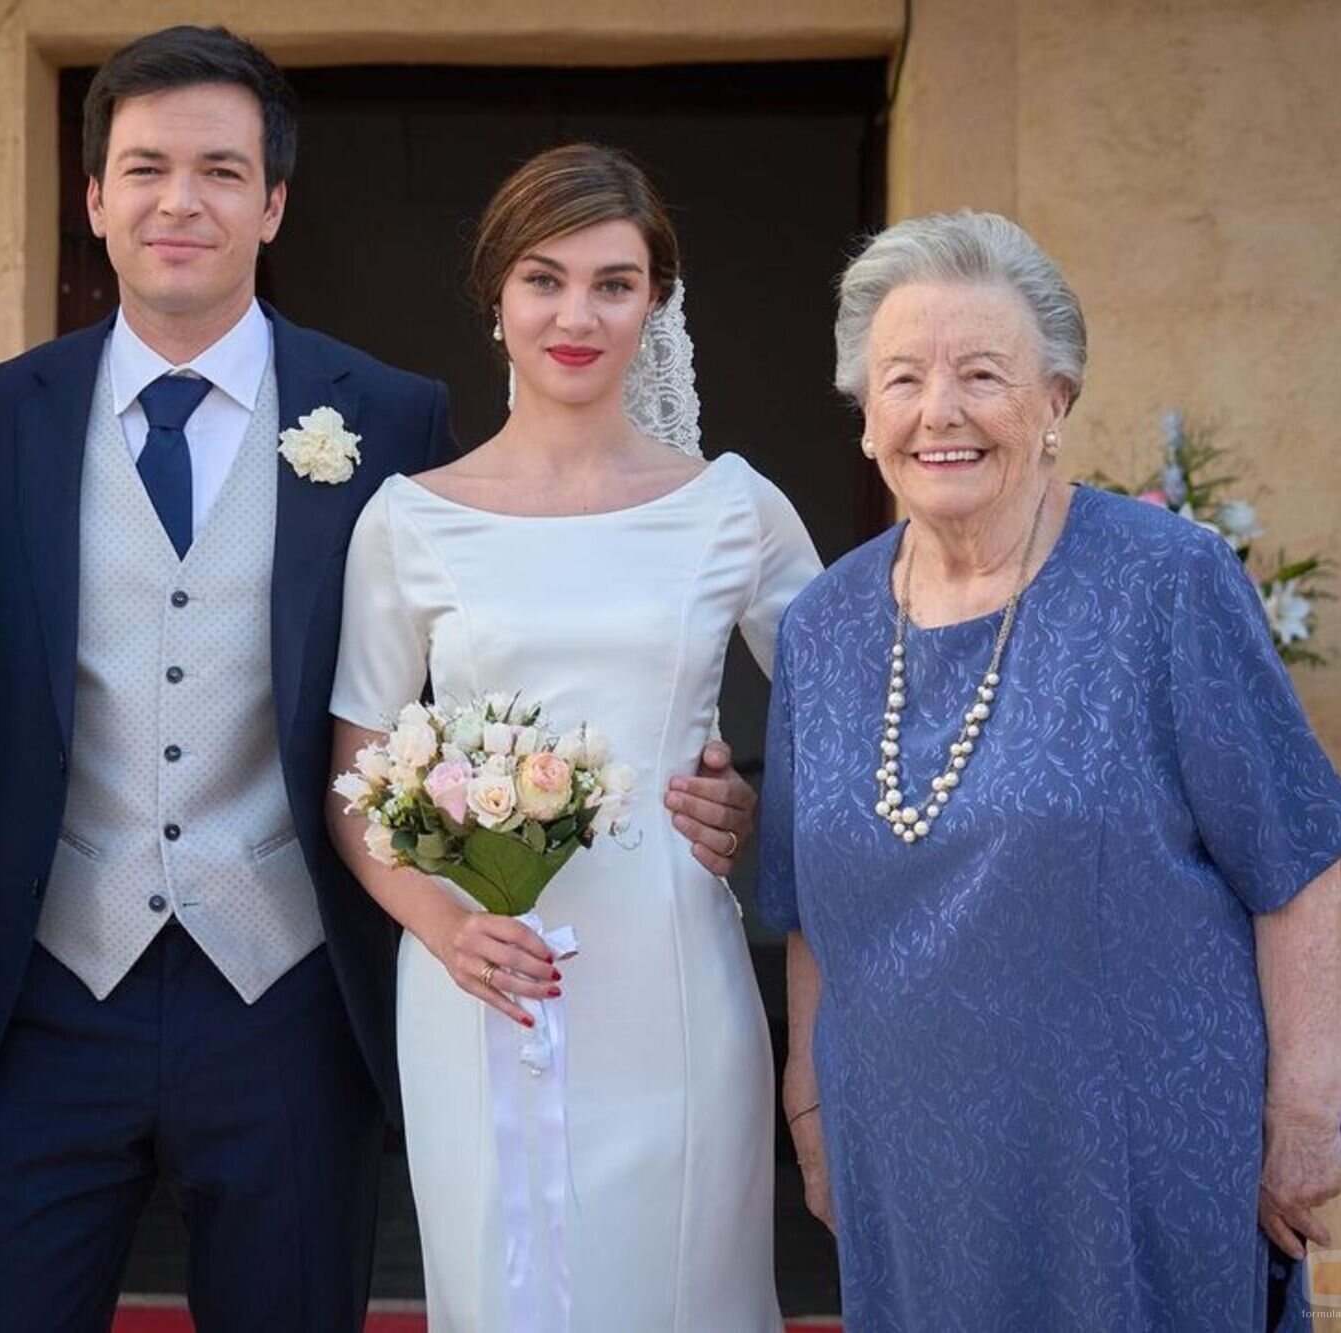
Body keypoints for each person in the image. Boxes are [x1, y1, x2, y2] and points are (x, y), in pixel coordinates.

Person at [0, 28, 758, 1332]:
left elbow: (499, 647)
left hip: (289, 1006)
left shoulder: (391, 416)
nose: (181, 201)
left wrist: (693, 776)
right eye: (146, 168)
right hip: (44, 1003)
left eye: (222, 171)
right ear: (95, 198)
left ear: (274, 201)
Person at [757, 210, 1341, 1330]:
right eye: (900, 378)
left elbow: (1290, 860)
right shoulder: (822, 626)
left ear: (1053, 403)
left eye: (980, 373)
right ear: (863, 418)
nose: (937, 409)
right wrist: (808, 1112)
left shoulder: (1166, 582)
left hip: (1133, 1158)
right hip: (907, 1163)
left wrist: (1300, 1112)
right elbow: (808, 909)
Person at [325, 143, 820, 1331]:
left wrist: (760, 812)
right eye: (544, 279)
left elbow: (854, 710)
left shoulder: (731, 506)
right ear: (495, 296)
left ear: (656, 303)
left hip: (671, 976)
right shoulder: (409, 519)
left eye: (614, 282)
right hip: (477, 975)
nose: (577, 314)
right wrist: (447, 929)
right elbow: (352, 771)